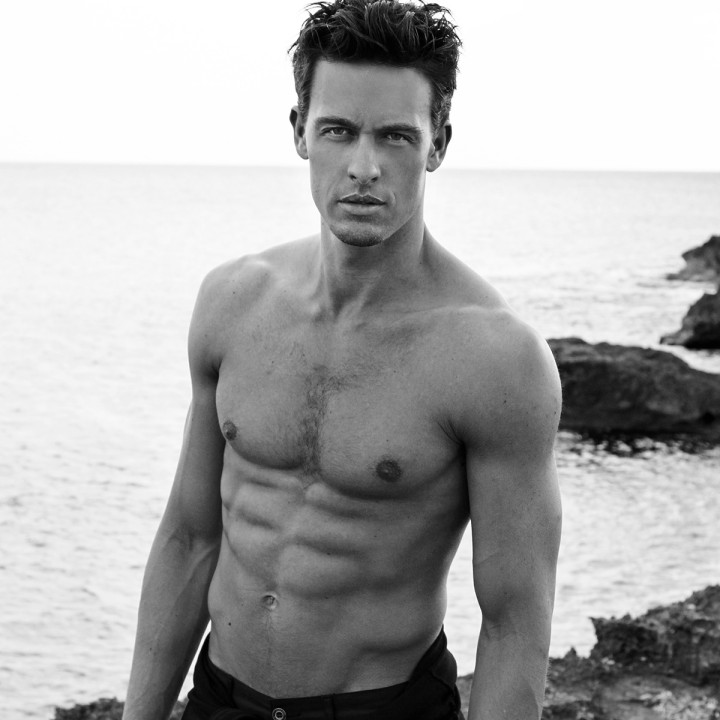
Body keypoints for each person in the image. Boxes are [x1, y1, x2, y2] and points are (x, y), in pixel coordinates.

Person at [122, 1, 562, 719]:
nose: (364, 167)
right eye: (338, 130)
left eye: (396, 136)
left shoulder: (495, 359)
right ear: (300, 130)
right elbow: (189, 537)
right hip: (221, 700)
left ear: (439, 145)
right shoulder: (232, 302)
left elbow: (515, 622)